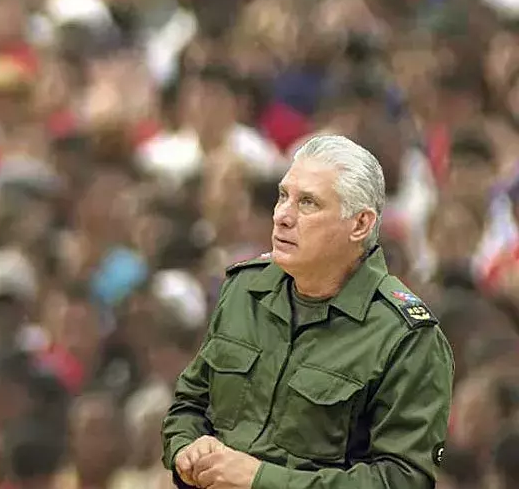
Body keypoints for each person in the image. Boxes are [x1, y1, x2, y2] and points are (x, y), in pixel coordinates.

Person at [160, 135, 454, 489]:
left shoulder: (405, 336)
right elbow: (189, 404)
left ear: (359, 224)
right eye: (283, 196)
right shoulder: (243, 290)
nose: (283, 215)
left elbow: (402, 480)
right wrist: (187, 447)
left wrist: (260, 481)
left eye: (308, 203)